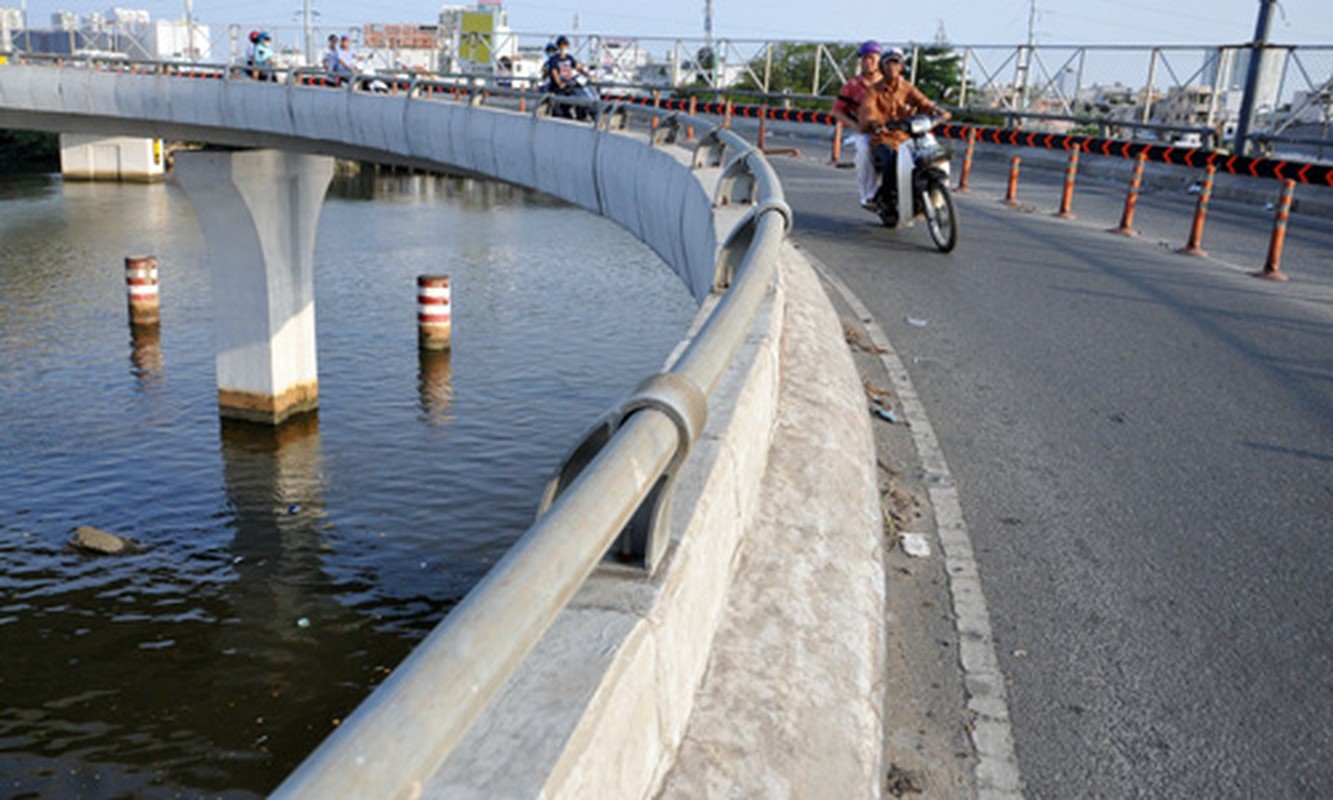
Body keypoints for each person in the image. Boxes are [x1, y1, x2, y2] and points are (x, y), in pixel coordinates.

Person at [861, 47, 950, 224]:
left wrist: (938, 112)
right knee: (891, 159)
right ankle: (886, 199)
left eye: (896, 62)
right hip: (883, 138)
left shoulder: (907, 88)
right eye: (888, 62)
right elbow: (869, 111)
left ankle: (934, 200)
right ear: (881, 67)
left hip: (907, 137)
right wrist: (876, 123)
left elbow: (924, 103)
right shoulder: (873, 90)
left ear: (901, 66)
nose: (892, 66)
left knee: (932, 157)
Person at [831, 41, 885, 210]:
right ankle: (869, 195)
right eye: (864, 59)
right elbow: (837, 111)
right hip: (867, 131)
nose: (868, 62)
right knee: (863, 150)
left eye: (872, 58)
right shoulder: (853, 85)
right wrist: (856, 126)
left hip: (891, 130)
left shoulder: (892, 82)